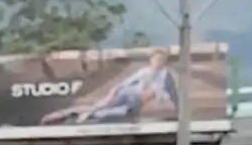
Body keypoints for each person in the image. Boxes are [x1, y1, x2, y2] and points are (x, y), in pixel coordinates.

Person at [42, 48, 179, 125]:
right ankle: (62, 115)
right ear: (151, 59)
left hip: (134, 103)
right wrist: (112, 93)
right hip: (128, 96)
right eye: (156, 59)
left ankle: (81, 116)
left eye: (161, 60)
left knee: (109, 113)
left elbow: (170, 94)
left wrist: (177, 110)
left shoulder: (165, 75)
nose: (158, 62)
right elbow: (124, 84)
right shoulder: (143, 72)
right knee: (99, 107)